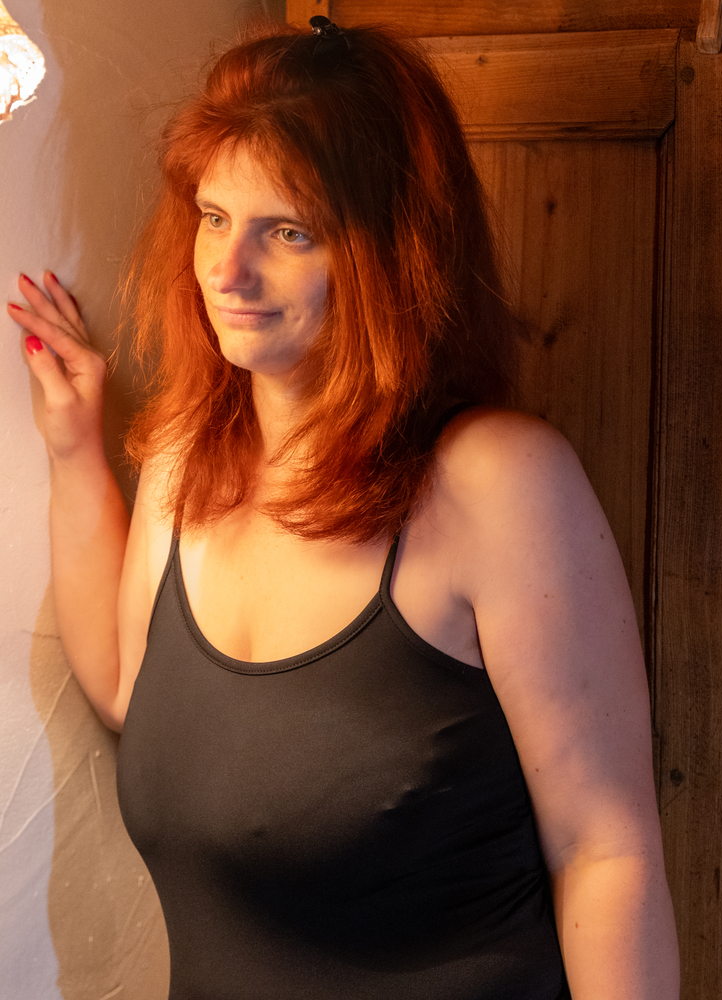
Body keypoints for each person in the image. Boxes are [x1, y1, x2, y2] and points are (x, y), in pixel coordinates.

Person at [7, 17, 679, 1000]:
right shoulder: (187, 456)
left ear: (388, 254)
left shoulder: (499, 484)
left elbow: (606, 851)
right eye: (213, 217)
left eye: (287, 232)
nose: (227, 271)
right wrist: (74, 452)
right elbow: (129, 693)